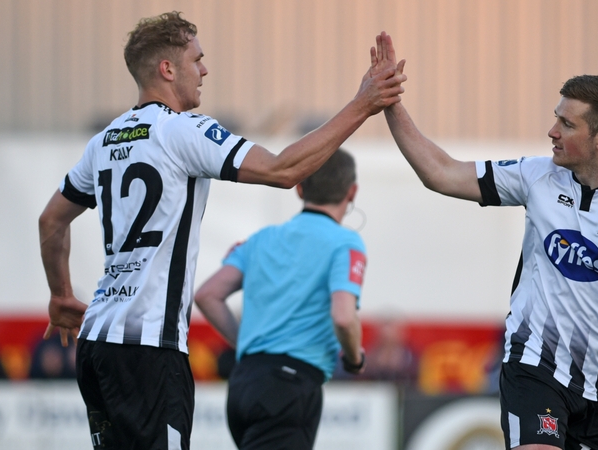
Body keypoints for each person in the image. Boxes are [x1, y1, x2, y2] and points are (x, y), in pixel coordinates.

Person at [37, 11, 405, 449]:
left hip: (97, 343)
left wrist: (60, 295)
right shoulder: (183, 130)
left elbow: (51, 220)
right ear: (167, 69)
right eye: (197, 59)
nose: (205, 70)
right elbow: (283, 169)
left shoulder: (104, 141)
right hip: (149, 349)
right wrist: (363, 104)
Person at [374, 33, 598, 449]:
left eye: (567, 123)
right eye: (556, 117)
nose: (551, 131)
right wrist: (391, 105)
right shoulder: (536, 176)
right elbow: (440, 172)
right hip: (533, 367)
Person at [194, 148, 367, 449]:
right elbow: (343, 316)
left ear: (299, 187)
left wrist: (248, 343)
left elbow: (208, 295)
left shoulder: (261, 238)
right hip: (289, 386)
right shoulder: (346, 243)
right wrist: (355, 359)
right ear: (352, 192)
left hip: (243, 383)